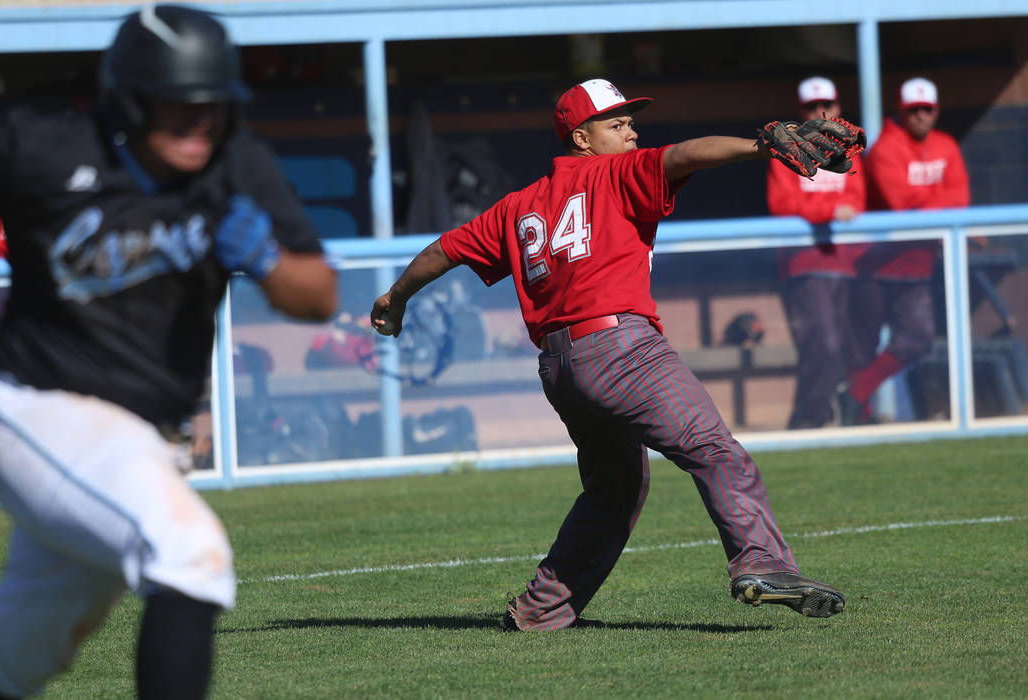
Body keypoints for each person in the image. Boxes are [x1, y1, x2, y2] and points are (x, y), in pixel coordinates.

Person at [371, 78, 847, 631]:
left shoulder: (517, 205)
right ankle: (762, 562)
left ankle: (539, 611)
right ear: (582, 138)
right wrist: (760, 146)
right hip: (622, 349)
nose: (631, 133)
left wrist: (394, 297)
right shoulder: (617, 171)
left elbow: (444, 249)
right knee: (714, 449)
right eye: (616, 124)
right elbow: (685, 154)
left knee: (614, 489)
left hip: (561, 367)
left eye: (630, 123)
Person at [0, 6, 338, 698]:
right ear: (129, 101)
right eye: (179, 106)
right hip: (35, 405)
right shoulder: (47, 147)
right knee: (189, 554)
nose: (199, 122)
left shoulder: (235, 164)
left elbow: (318, 294)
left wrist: (264, 258)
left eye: (213, 105)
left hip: (142, 438)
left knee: (20, 651)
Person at [840, 77, 970, 424]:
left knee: (918, 336)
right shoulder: (885, 148)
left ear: (936, 111)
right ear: (901, 111)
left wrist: (927, 203)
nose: (921, 116)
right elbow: (901, 203)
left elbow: (962, 200)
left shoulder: (946, 145)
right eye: (914, 110)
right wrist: (939, 201)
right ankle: (857, 420)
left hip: (917, 262)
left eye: (927, 109)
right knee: (861, 347)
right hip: (873, 261)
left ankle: (856, 395)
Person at [766, 76, 866, 429]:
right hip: (804, 265)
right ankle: (808, 421)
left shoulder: (848, 150)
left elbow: (856, 199)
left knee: (839, 346)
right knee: (820, 344)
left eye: (828, 105)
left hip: (845, 263)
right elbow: (783, 204)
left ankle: (816, 417)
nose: (821, 112)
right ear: (801, 112)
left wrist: (827, 206)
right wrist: (828, 210)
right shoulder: (787, 150)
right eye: (812, 107)